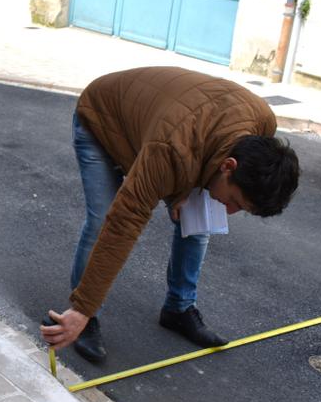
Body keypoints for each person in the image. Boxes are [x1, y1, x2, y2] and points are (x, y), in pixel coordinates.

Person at [41, 66, 300, 362]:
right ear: (228, 166)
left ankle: (178, 308)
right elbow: (124, 223)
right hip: (104, 118)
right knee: (104, 219)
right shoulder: (170, 152)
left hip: (169, 127)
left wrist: (183, 193)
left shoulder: (262, 121)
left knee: (199, 224)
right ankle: (83, 319)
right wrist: (84, 307)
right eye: (234, 202)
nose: (229, 212)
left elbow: (203, 153)